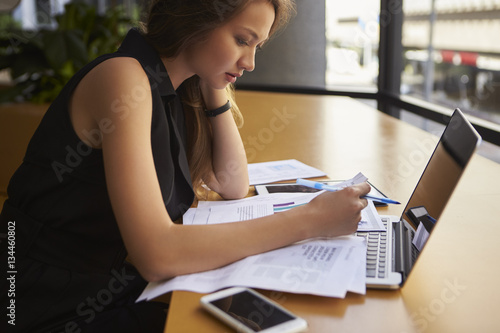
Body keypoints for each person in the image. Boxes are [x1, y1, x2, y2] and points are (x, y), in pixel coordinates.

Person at [0, 0, 370, 332]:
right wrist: (308, 221)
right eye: (242, 40)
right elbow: (157, 255)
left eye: (258, 46)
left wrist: (216, 85)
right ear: (196, 19)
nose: (251, 62)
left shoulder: (176, 87)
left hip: (102, 292)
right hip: (36, 303)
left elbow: (232, 183)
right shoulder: (124, 79)